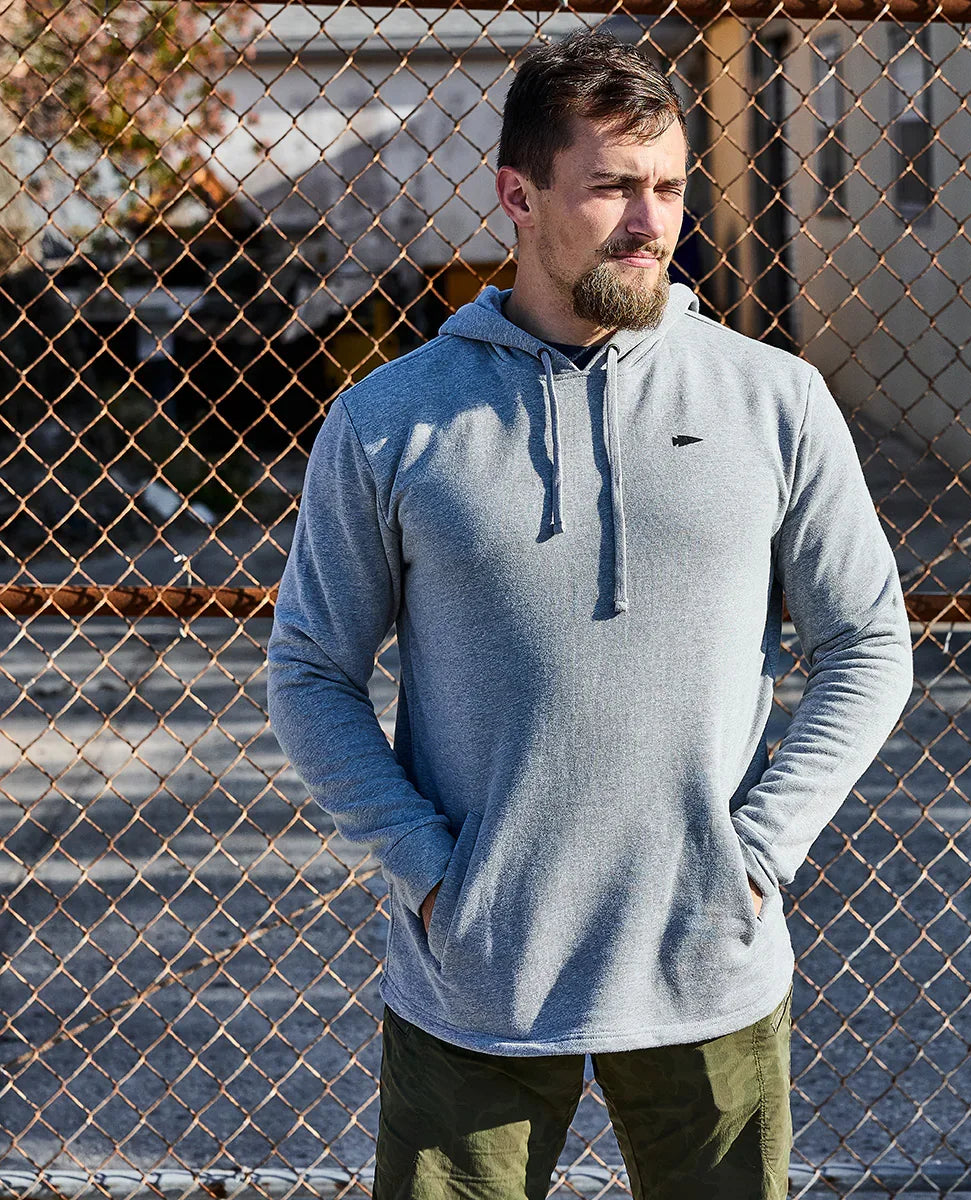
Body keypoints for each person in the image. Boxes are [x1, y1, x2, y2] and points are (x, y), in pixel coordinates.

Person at [266, 27, 913, 1200]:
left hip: (709, 959)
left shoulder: (774, 400)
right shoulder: (391, 421)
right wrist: (424, 871)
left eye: (668, 186)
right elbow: (310, 668)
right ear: (516, 194)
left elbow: (868, 642)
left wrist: (760, 855)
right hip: (477, 973)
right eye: (612, 185)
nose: (650, 221)